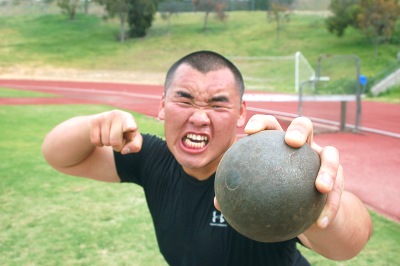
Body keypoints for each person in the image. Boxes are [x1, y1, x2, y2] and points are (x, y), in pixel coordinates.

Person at [42, 50, 372, 265]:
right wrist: (91, 126)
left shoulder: (267, 173)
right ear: (162, 105)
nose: (199, 117)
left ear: (241, 112)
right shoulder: (151, 158)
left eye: (217, 104)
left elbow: (347, 246)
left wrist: (320, 199)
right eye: (184, 100)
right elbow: (60, 157)